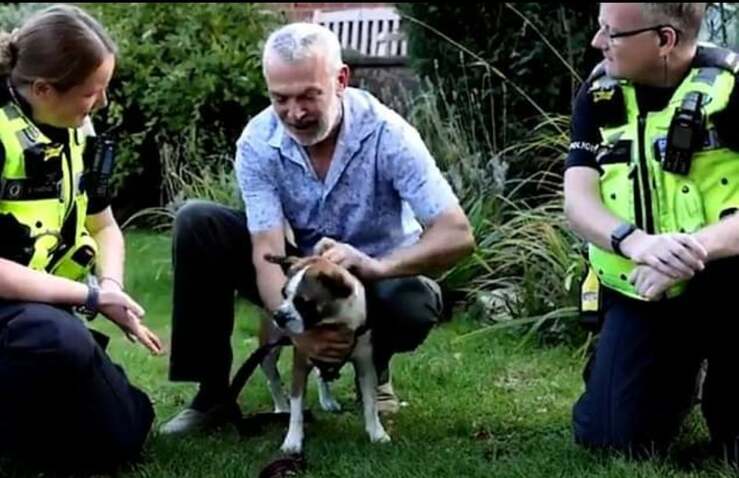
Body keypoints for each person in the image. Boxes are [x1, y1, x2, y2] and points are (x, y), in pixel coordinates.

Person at [160, 22, 475, 434]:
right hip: (299, 275)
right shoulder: (258, 141)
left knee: (412, 301)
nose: (295, 113)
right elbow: (267, 247)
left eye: (309, 95)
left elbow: (457, 233)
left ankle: (374, 364)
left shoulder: (389, 135)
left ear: (341, 80)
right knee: (197, 222)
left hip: (376, 278)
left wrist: (377, 267)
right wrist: (296, 332)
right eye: (280, 98)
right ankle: (212, 395)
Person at [566, 2, 739, 463]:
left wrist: (692, 250)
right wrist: (639, 244)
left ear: (665, 40)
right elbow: (578, 201)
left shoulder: (733, 90)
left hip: (728, 281)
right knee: (612, 441)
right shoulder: (598, 96)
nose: (597, 43)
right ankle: (666, 377)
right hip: (645, 285)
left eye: (611, 33)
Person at [0, 4, 162, 472]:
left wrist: (110, 288)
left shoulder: (76, 133)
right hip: (27, 319)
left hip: (40, 312)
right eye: (92, 91)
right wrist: (89, 296)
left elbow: (103, 225)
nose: (103, 102)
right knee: (59, 339)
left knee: (126, 433)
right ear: (43, 89)